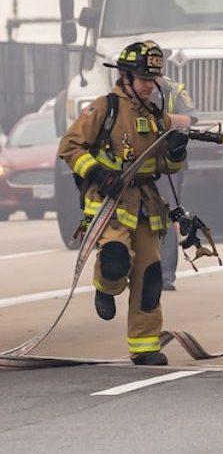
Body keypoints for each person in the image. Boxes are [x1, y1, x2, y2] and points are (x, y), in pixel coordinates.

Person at [57, 40, 188, 365]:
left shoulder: (156, 115)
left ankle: (145, 347)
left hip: (147, 205)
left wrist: (175, 152)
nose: (149, 85)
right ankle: (106, 285)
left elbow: (164, 168)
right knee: (115, 258)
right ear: (126, 76)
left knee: (151, 276)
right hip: (111, 203)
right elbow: (70, 147)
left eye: (152, 79)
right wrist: (99, 174)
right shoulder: (104, 108)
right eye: (144, 78)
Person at [158, 80, 195, 291]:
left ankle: (165, 276)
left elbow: (189, 119)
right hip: (135, 162)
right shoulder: (124, 90)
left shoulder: (173, 90)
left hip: (167, 164)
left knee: (167, 214)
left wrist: (162, 121)